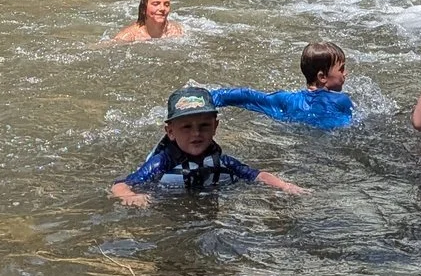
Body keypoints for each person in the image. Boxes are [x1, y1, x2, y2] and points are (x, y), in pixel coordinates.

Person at [111, 86, 305, 203]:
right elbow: (120, 185)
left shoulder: (222, 161)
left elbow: (256, 175)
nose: (196, 133)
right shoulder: (161, 163)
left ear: (215, 127)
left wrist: (284, 186)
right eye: (186, 127)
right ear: (170, 132)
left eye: (204, 125)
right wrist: (129, 196)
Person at [211, 41, 357, 129]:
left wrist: (211, 97)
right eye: (342, 69)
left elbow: (247, 96)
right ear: (322, 77)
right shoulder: (341, 101)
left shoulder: (287, 99)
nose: (345, 73)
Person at [108, 0, 185, 42]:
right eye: (156, 4)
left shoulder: (176, 31)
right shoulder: (129, 36)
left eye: (166, 4)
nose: (162, 8)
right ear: (143, 9)